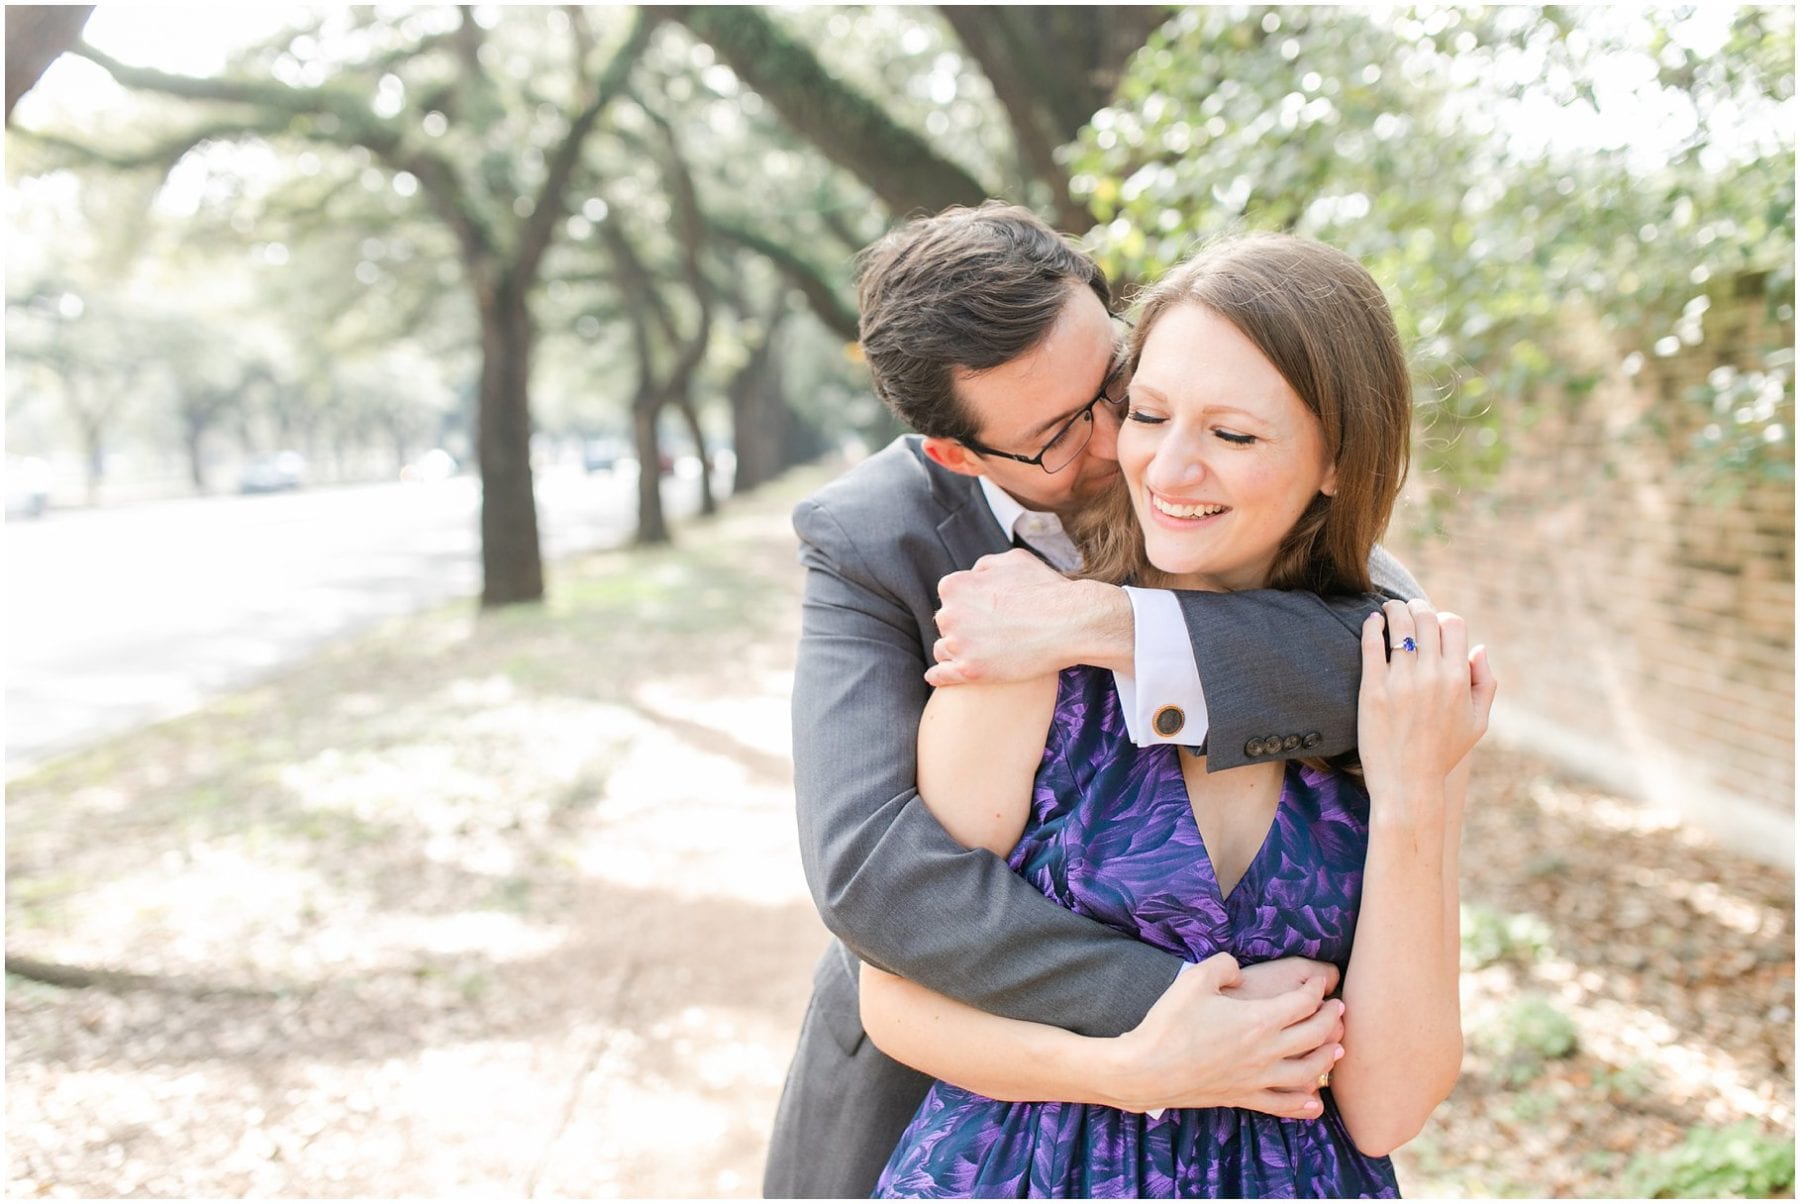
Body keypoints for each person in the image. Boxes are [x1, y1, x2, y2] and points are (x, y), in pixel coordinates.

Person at [766, 204, 1422, 1199]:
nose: (1122, 437)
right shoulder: (871, 542)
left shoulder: (1188, 453)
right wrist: (1191, 1010)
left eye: (1115, 381)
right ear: (959, 453)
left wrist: (1105, 626)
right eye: (1062, 430)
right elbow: (873, 876)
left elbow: (1394, 653)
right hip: (957, 1087)